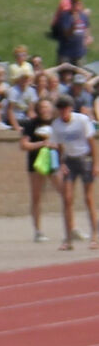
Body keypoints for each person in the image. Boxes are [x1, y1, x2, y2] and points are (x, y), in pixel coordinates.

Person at [49, 93, 98, 250]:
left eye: (66, 108)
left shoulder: (82, 120)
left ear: (70, 108)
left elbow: (92, 143)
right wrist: (61, 163)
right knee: (67, 199)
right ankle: (68, 239)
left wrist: (96, 164)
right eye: (61, 108)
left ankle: (95, 236)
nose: (64, 111)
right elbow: (58, 146)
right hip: (69, 160)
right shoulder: (56, 125)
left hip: (84, 159)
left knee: (88, 199)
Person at [21, 96, 57, 242]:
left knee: (66, 193)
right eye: (42, 107)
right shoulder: (31, 125)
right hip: (36, 163)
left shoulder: (57, 123)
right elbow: (24, 145)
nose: (45, 110)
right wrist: (42, 144)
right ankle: (38, 230)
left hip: (55, 163)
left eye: (47, 107)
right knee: (36, 197)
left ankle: (72, 227)